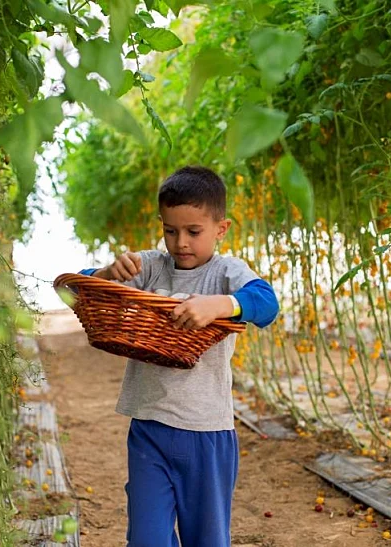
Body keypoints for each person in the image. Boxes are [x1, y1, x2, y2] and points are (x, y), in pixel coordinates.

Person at [78, 166, 279, 546]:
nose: (181, 242)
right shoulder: (150, 267)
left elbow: (267, 304)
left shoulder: (226, 272)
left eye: (193, 232)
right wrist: (107, 272)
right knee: (146, 539)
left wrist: (222, 305)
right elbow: (79, 288)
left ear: (221, 229)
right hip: (148, 429)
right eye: (170, 231)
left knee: (207, 539)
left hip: (207, 434)